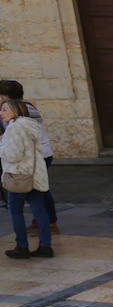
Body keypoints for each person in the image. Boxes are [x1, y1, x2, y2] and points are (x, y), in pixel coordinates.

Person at [0, 81, 57, 234]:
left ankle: (49, 223)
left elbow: (20, 136)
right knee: (38, 189)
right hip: (36, 154)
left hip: (35, 155)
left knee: (38, 190)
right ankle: (45, 222)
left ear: (4, 96)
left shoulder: (21, 110)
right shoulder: (22, 107)